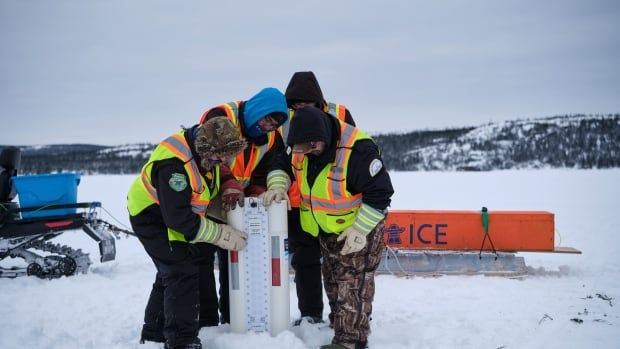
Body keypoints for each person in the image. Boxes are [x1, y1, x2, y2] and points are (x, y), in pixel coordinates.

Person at [264, 106, 394, 349]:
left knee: (352, 286)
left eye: (308, 148)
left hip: (358, 230)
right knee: (334, 283)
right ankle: (342, 326)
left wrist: (360, 230)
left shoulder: (358, 151)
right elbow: (280, 164)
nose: (303, 154)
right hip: (326, 231)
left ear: (319, 140)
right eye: (300, 149)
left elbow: (381, 193)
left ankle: (350, 341)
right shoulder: (299, 145)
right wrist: (279, 185)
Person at [127, 116, 249, 349]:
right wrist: (221, 234)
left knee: (170, 271)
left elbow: (197, 196)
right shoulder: (175, 166)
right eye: (219, 156)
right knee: (180, 270)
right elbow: (179, 219)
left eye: (227, 156)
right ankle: (182, 341)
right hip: (151, 216)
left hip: (171, 213)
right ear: (206, 149)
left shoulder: (205, 157)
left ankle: (154, 333)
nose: (223, 161)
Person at [199, 86, 289, 324]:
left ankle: (233, 318)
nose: (267, 127)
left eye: (273, 125)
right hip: (207, 201)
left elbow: (263, 171)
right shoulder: (222, 116)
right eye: (266, 120)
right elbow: (209, 151)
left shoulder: (271, 139)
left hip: (238, 206)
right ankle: (207, 322)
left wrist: (260, 195)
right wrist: (228, 181)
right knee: (202, 261)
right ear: (258, 109)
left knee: (235, 261)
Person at [281, 71, 356, 325]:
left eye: (305, 104)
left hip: (334, 203)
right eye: (295, 105)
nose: (299, 109)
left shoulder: (340, 113)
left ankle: (342, 316)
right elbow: (278, 157)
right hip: (298, 202)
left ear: (318, 100)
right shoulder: (284, 120)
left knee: (339, 264)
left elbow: (351, 151)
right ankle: (310, 314)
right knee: (305, 259)